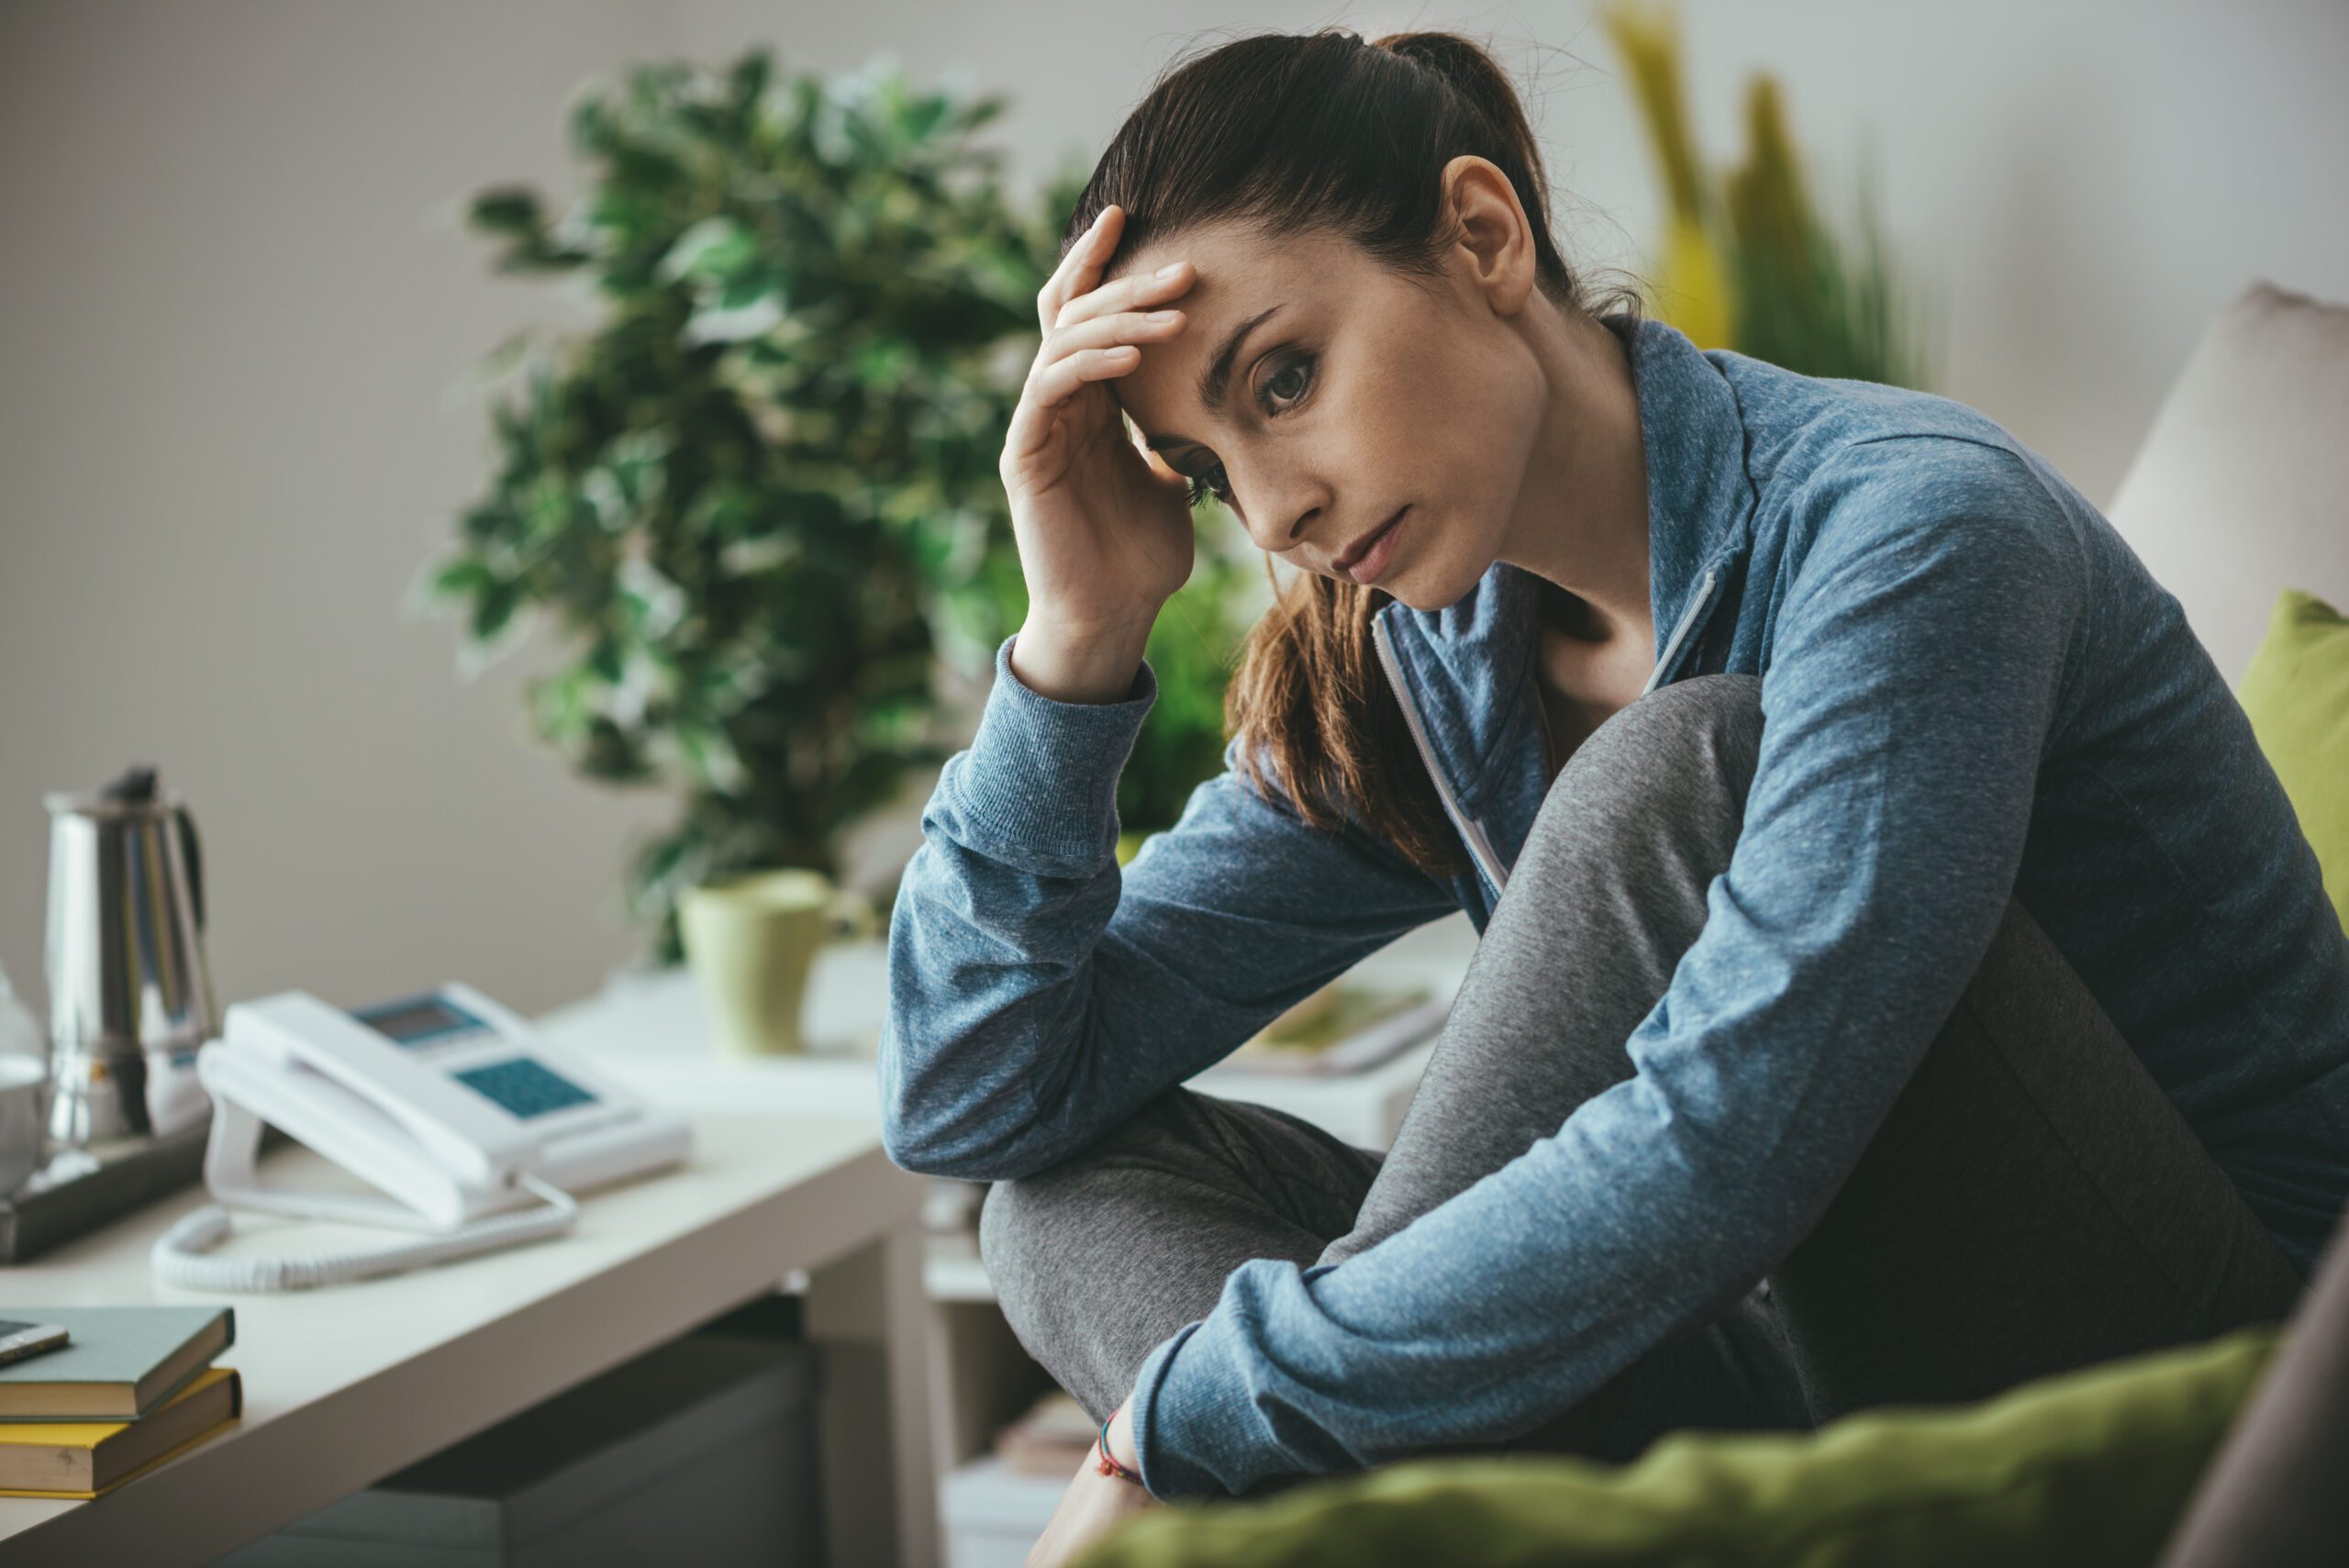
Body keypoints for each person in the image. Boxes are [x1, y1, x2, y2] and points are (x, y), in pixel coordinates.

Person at [876, 27, 2349, 1566]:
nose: (1278, 510)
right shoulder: (1428, 658)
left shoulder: (1915, 530)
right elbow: (976, 1096)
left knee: (1686, 760)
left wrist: (1175, 1420)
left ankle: (1385, 1524)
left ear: (1484, 234)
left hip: (2201, 1371)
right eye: (1205, 467)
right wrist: (1079, 634)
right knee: (1054, 1205)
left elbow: (1726, 1143)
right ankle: (1411, 1515)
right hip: (1786, 1354)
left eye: (1287, 378)